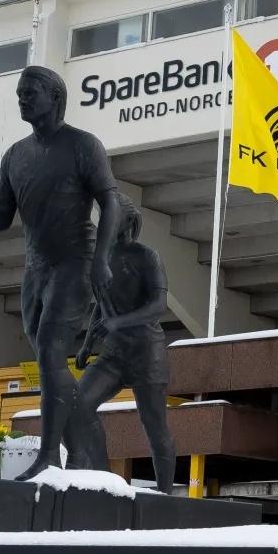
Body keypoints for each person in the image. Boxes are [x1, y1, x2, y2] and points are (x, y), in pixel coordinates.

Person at [0, 67, 118, 475]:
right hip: (36, 267)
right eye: (19, 94)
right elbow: (2, 215)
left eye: (30, 93)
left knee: (49, 351)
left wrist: (101, 259)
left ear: (55, 97)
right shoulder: (15, 155)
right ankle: (86, 449)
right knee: (49, 361)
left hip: (75, 260)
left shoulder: (83, 145)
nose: (22, 100)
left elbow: (110, 201)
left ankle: (49, 457)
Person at [66, 193, 180, 490]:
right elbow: (101, 304)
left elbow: (158, 305)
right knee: (77, 405)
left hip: (147, 354)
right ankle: (103, 478)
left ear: (128, 221)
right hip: (114, 354)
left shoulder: (147, 256)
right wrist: (88, 343)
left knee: (154, 427)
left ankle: (165, 494)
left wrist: (117, 322)